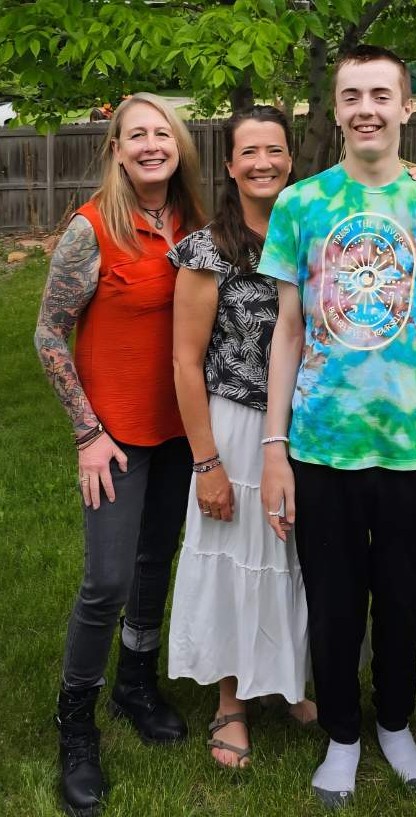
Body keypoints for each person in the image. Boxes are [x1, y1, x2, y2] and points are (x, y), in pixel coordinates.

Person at [259, 45, 416, 808]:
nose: (366, 109)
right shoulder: (301, 206)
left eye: (381, 95)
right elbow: (287, 332)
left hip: (411, 449)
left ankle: (394, 723)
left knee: (402, 600)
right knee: (332, 601)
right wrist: (274, 447)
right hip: (320, 447)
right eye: (352, 95)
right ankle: (342, 735)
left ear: (406, 107)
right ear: (336, 107)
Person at [34, 92, 206, 817]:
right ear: (116, 150)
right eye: (136, 135)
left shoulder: (193, 222)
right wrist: (86, 431)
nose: (150, 145)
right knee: (106, 580)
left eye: (161, 133)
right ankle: (76, 723)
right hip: (114, 435)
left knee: (154, 562)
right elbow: (48, 333)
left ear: (179, 145)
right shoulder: (92, 228)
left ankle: (136, 683)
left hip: (178, 431)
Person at [167, 105, 316, 769]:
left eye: (274, 150)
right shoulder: (209, 250)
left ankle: (285, 679)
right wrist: (207, 464)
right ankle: (231, 700)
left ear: (291, 159)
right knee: (237, 557)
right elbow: (184, 363)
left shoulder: (313, 235)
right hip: (235, 424)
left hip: (309, 424)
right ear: (229, 165)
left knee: (296, 556)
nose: (263, 163)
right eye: (248, 152)